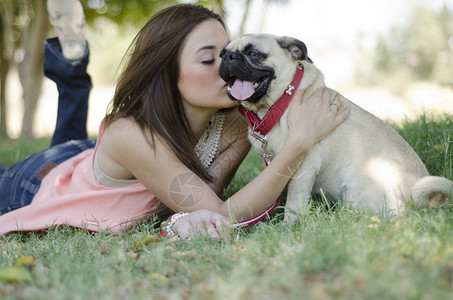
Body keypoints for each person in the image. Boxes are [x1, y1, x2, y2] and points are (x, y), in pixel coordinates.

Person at [0, 3, 349, 239]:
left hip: (92, 161)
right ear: (167, 74)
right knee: (61, 143)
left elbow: (207, 195)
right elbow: (221, 214)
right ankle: (72, 65)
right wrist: (297, 144)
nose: (228, 66)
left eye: (229, 52)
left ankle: (71, 65)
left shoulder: (237, 117)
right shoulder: (132, 135)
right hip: (31, 185)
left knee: (72, 143)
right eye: (209, 59)